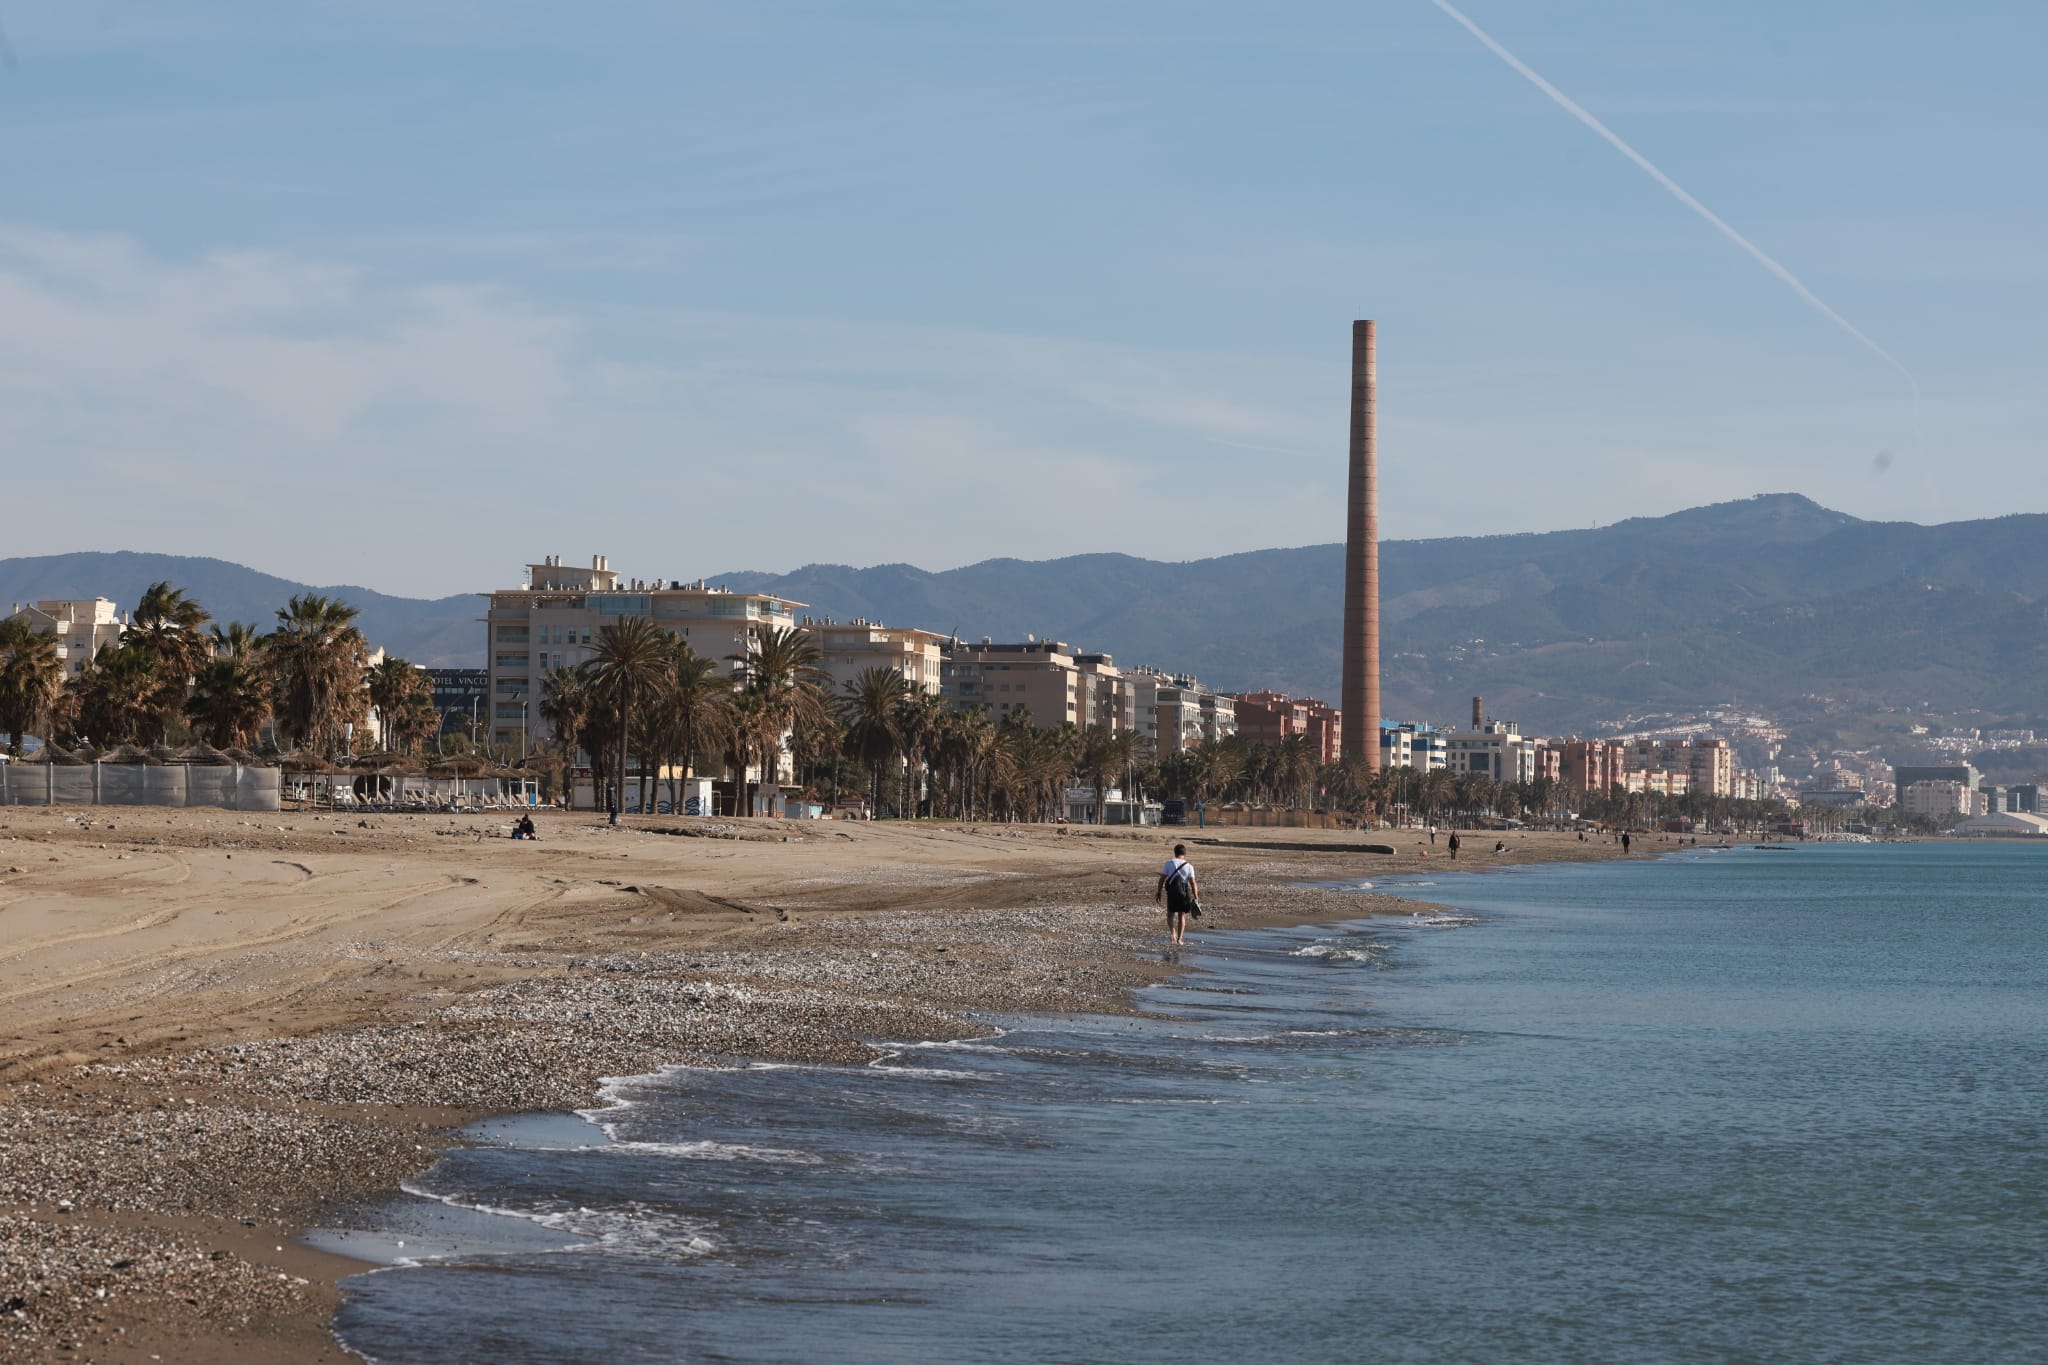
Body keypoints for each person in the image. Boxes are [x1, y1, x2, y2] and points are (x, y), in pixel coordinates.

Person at [1155, 844, 1200, 946]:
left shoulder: (1169, 863)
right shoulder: (1189, 866)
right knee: (1181, 916)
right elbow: (1193, 883)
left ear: (1175, 853)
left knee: (1170, 915)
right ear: (1185, 853)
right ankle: (1179, 939)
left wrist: (1159, 892)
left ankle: (1172, 932)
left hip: (1172, 893)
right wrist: (1196, 897)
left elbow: (1162, 879)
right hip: (1184, 893)